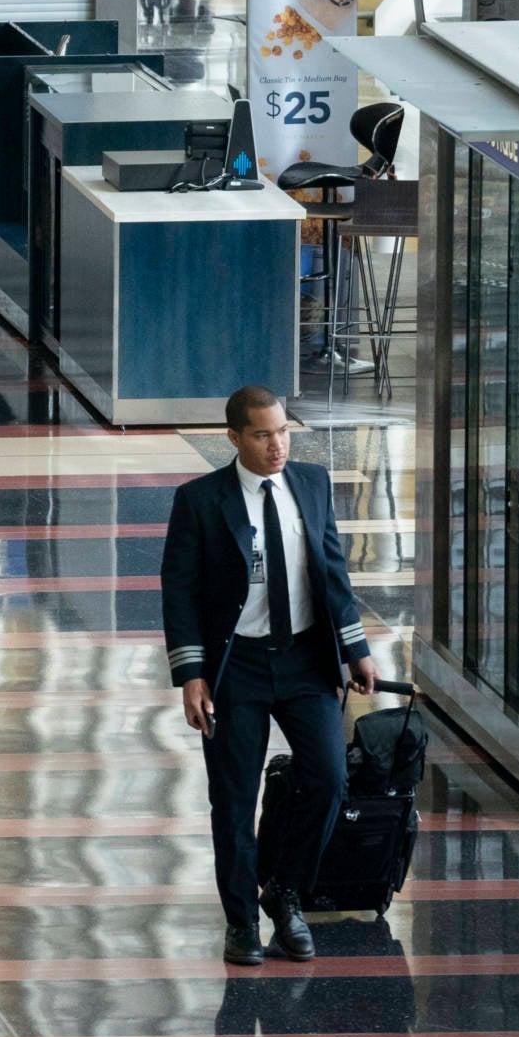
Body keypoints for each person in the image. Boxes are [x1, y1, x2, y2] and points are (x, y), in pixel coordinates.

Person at [160, 386, 378, 968]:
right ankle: (240, 923)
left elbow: (333, 571)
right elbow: (179, 591)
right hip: (239, 668)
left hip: (306, 659)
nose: (277, 444)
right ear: (233, 438)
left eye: (282, 431)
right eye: (262, 434)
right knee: (232, 799)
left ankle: (286, 892)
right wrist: (192, 676)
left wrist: (356, 649)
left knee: (329, 779)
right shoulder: (201, 500)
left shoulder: (313, 483)